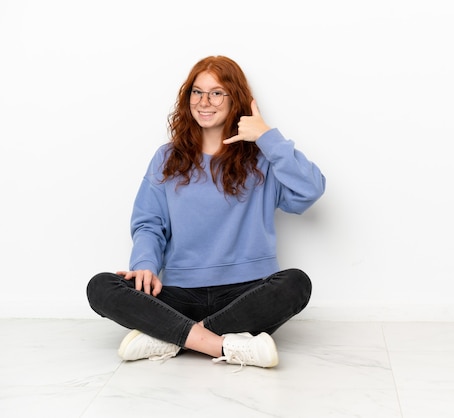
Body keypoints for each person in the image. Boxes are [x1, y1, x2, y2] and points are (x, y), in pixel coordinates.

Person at [86, 55, 325, 369]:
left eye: (216, 93)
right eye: (196, 92)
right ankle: (221, 344)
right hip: (179, 295)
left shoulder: (262, 158)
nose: (204, 101)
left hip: (246, 292)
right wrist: (144, 263)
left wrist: (267, 136)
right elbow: (149, 222)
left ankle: (171, 336)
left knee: (296, 283)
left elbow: (310, 191)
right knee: (101, 287)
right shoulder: (167, 157)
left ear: (234, 99)